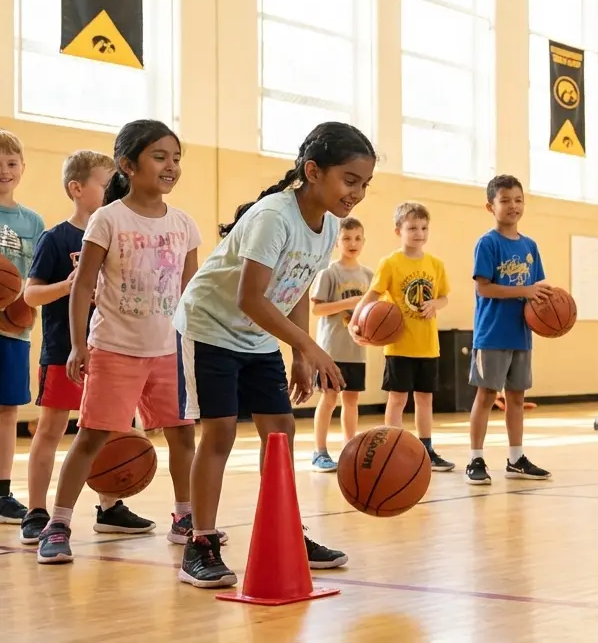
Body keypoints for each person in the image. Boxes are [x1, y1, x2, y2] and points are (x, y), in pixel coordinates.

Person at [173, 122, 373, 588]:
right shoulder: (274, 216)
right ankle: (199, 543)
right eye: (350, 180)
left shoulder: (328, 227)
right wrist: (309, 345)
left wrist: (298, 353)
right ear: (313, 171)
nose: (357, 192)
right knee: (219, 433)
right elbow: (250, 297)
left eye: (365, 184)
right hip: (211, 326)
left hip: (257, 335)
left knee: (279, 432)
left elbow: (297, 284)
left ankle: (285, 530)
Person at [35, 121, 203, 564]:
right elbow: (81, 285)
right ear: (128, 165)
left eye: (176, 158)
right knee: (91, 437)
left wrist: (194, 349)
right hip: (114, 348)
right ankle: (59, 523)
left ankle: (185, 517)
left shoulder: (185, 225)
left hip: (168, 352)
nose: (171, 166)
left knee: (183, 437)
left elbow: (189, 295)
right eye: (160, 156)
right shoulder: (108, 219)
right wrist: (77, 345)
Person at [22, 151, 157, 543]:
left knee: (114, 430)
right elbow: (31, 296)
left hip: (114, 348)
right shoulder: (56, 238)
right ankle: (37, 510)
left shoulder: (121, 232)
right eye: (105, 182)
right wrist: (70, 285)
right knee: (50, 430)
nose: (113, 189)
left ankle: (110, 506)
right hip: (65, 350)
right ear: (77, 189)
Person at [464, 175, 552, 485]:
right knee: (487, 395)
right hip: (492, 334)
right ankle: (475, 458)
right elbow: (485, 289)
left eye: (518, 199)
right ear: (490, 206)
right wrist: (525, 292)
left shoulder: (530, 246)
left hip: (521, 334)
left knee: (517, 398)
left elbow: (536, 287)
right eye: (505, 200)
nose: (513, 205)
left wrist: (552, 304)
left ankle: (516, 459)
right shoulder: (487, 243)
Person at [352, 202, 453, 472]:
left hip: (428, 345)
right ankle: (391, 445)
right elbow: (372, 295)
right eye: (412, 228)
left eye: (423, 228)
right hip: (398, 345)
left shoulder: (436, 264)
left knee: (424, 399)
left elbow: (443, 297)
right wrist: (355, 319)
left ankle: (426, 448)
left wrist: (436, 305)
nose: (419, 233)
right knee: (397, 399)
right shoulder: (390, 263)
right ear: (398, 231)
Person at [0, 130, 45, 525]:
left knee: (8, 409)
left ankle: (2, 491)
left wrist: (23, 303)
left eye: (11, 163)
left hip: (14, 329)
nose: (4, 171)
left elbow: (34, 280)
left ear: (22, 168)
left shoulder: (33, 221)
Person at [308, 217, 374, 471]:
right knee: (329, 399)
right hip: (331, 349)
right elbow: (317, 309)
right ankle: (320, 451)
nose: (352, 243)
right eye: (346, 238)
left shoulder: (369, 275)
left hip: (356, 349)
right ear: (337, 242)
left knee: (351, 400)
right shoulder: (329, 272)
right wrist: (350, 302)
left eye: (357, 238)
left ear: (364, 241)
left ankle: (350, 447)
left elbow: (373, 313)